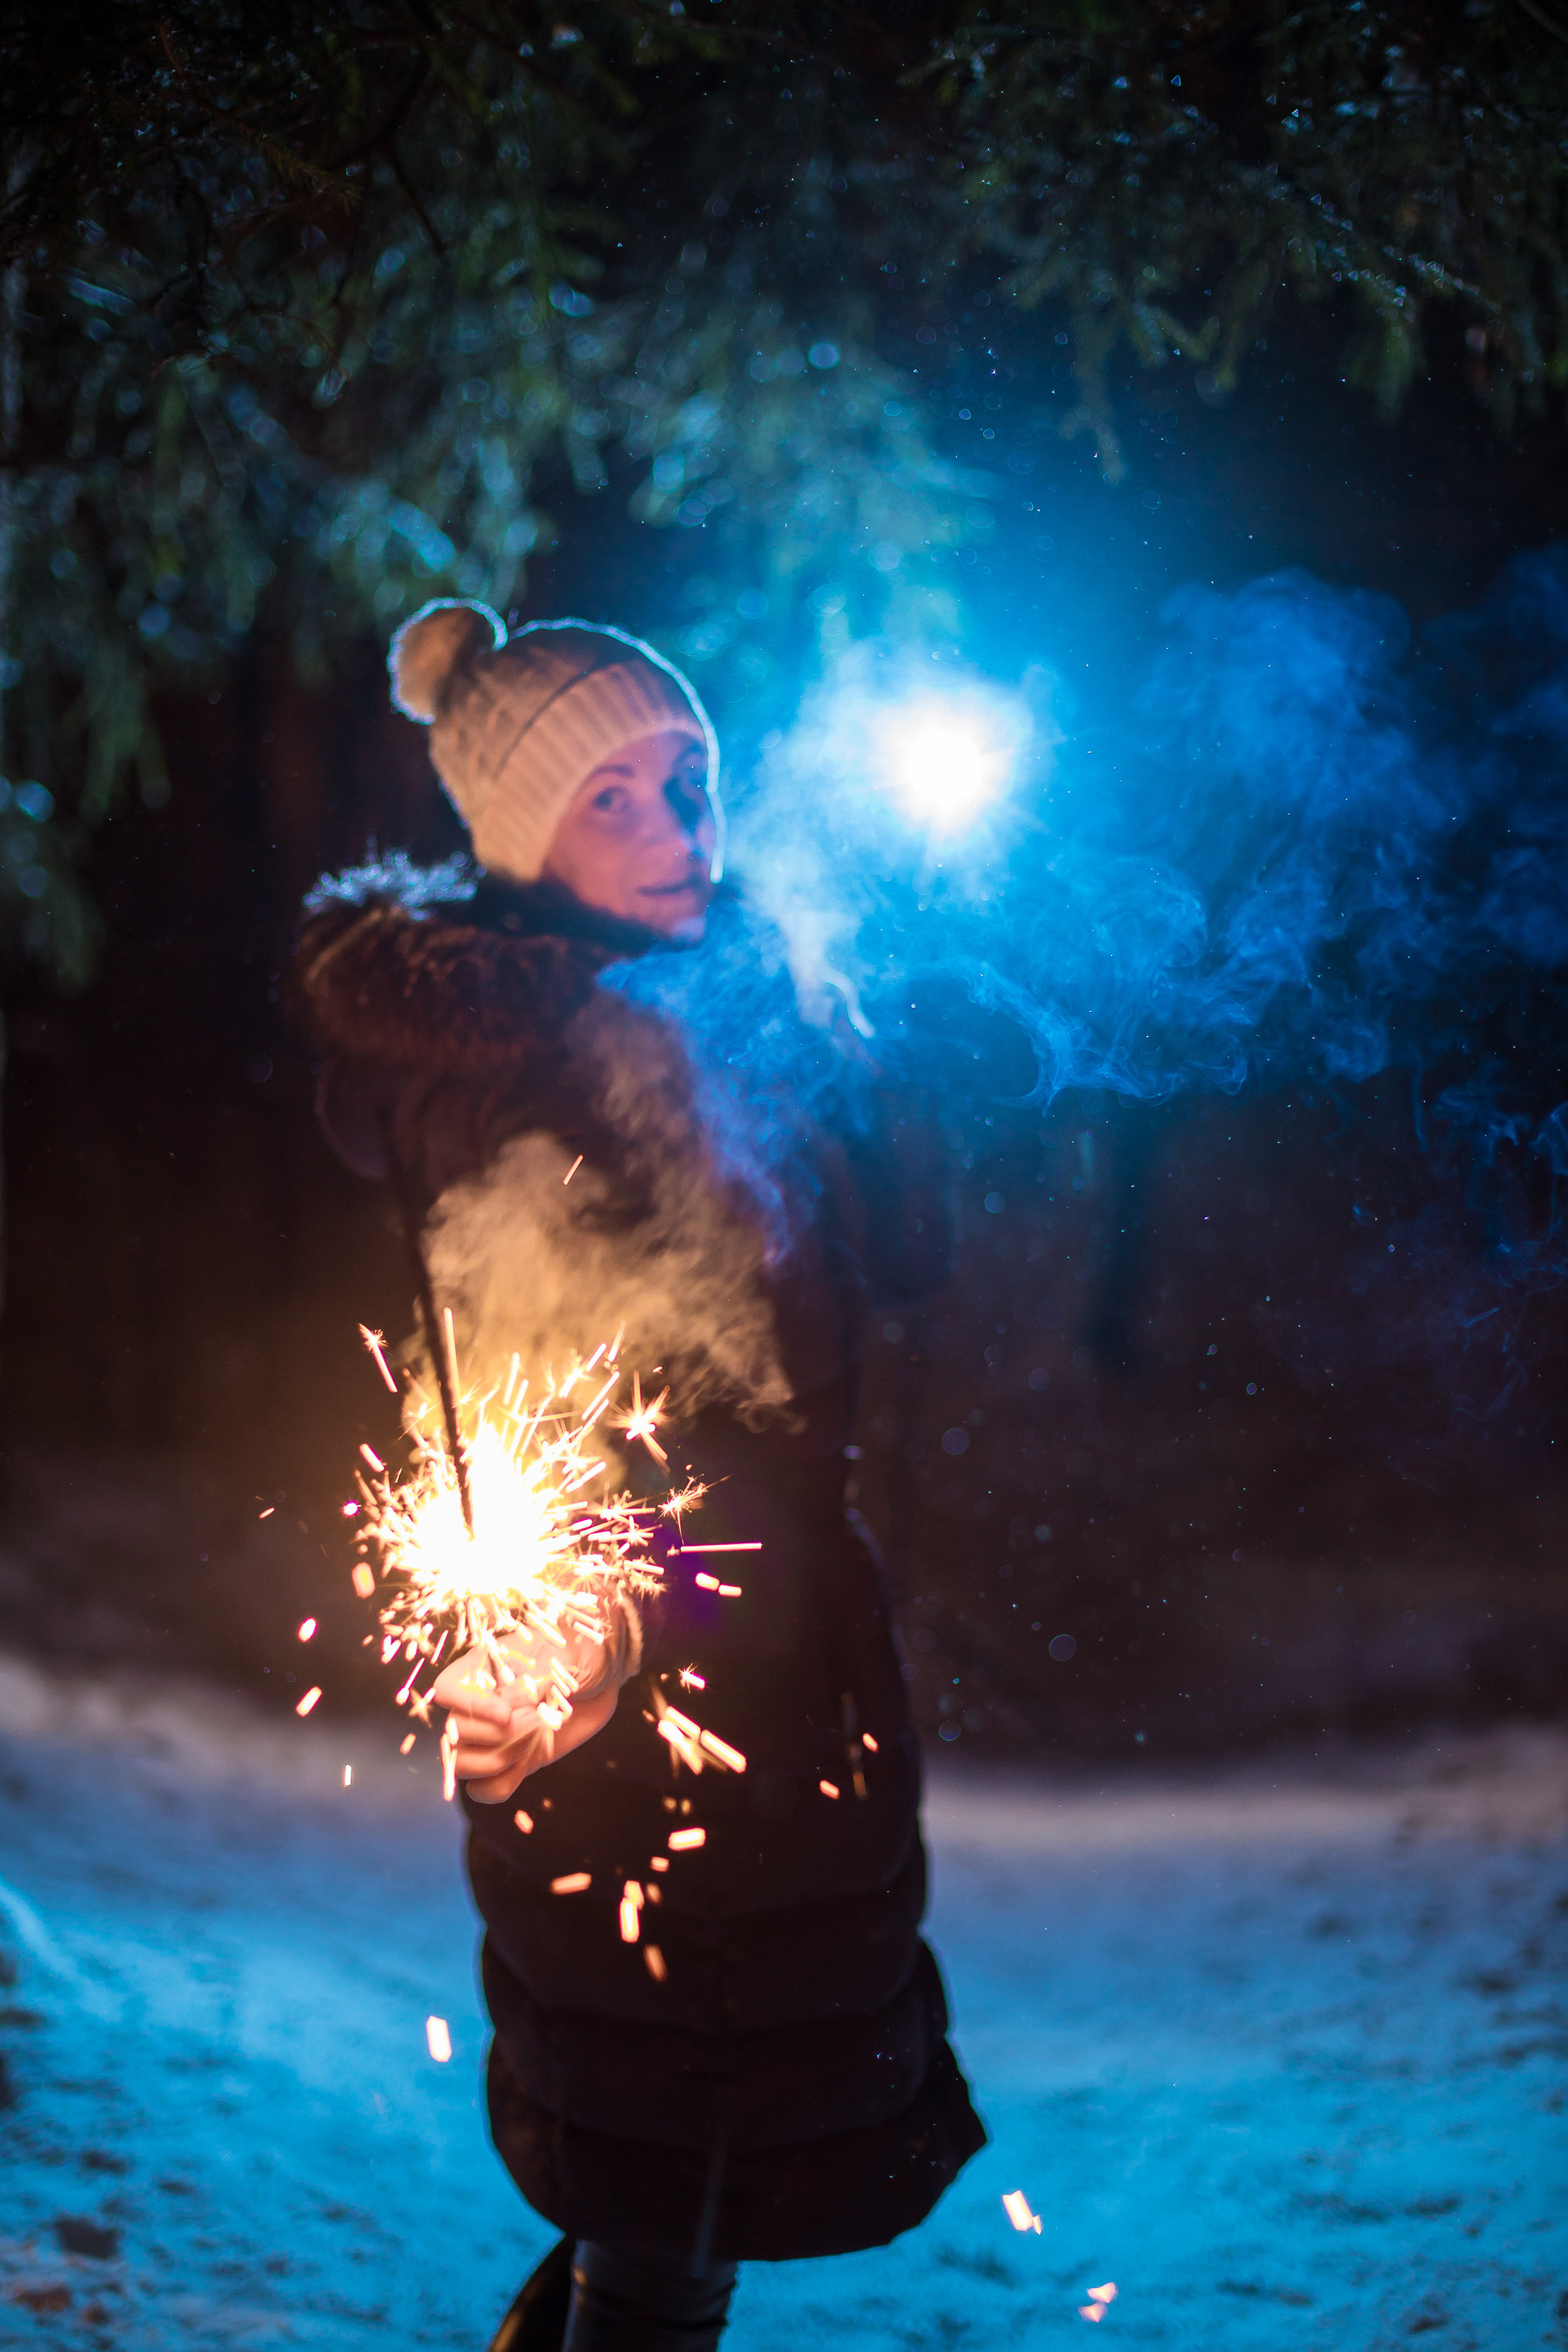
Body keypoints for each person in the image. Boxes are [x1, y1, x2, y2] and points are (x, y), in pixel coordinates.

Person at [291, 601, 986, 2352]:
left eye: (689, 777)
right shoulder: (519, 1081)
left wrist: (858, 1027)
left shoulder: (730, 1005)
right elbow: (576, 1403)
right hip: (640, 1677)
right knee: (674, 2163)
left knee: (691, 2178)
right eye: (615, 796)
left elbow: (906, 1255)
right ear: (524, 841)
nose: (681, 824)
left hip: (786, 1655)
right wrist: (605, 1625)